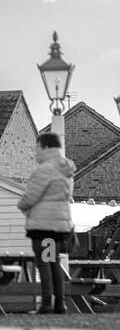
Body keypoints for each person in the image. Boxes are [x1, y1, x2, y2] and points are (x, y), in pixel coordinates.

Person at [16, 133, 76, 314]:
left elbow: (30, 197)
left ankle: (47, 304)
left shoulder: (45, 169)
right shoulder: (65, 169)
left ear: (46, 147)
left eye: (37, 147)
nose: (35, 152)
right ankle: (59, 303)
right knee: (53, 262)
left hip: (44, 226)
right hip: (59, 225)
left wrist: (21, 205)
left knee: (45, 263)